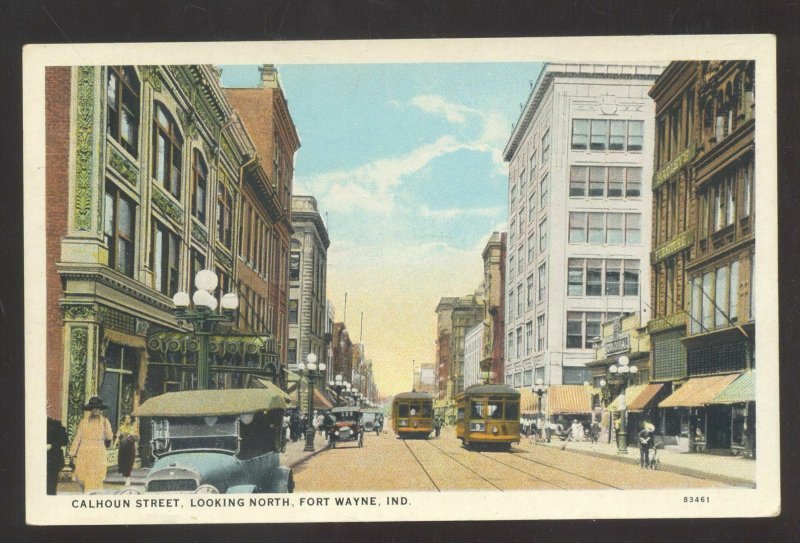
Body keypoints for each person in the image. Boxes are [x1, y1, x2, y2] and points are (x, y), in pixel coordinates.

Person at [67, 396, 113, 493]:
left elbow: (109, 437)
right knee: (83, 477)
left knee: (96, 477)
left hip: (98, 453)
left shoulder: (105, 422)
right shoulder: (83, 422)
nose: (94, 410)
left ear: (100, 409)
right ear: (89, 409)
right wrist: (72, 453)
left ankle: (94, 497)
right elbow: (77, 438)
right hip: (84, 452)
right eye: (92, 408)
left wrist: (107, 433)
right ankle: (86, 496)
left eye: (97, 407)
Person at [114, 414, 139, 486]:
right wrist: (114, 445)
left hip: (130, 448)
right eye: (125, 418)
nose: (126, 420)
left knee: (129, 463)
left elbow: (137, 438)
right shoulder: (121, 428)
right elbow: (118, 437)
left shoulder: (133, 428)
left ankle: (128, 478)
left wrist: (132, 436)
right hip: (122, 448)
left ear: (130, 420)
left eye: (128, 418)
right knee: (122, 462)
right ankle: (125, 476)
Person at [47, 417, 68, 495]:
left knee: (50, 487)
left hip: (52, 460)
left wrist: (51, 445)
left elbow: (64, 440)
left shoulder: (55, 424)